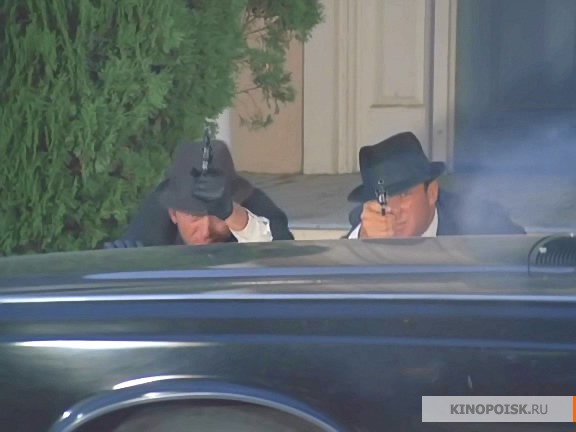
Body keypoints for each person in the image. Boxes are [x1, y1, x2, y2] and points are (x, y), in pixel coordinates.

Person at [104, 139, 293, 247]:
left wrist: (233, 214)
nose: (206, 232)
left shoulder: (254, 207)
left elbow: (280, 257)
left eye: (218, 217)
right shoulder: (156, 222)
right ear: (173, 214)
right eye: (194, 217)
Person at [346, 132, 525, 238]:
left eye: (404, 194)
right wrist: (364, 238)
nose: (393, 209)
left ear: (431, 192)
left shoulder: (477, 220)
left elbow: (521, 254)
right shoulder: (367, 223)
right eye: (382, 199)